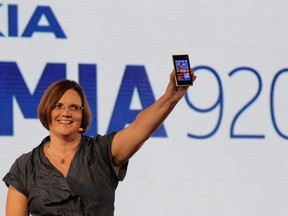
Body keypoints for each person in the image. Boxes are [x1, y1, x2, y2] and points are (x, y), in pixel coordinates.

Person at [3, 69, 196, 216]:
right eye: (58, 106)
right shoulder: (25, 167)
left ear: (83, 114)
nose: (66, 113)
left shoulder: (102, 152)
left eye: (74, 107)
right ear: (47, 111)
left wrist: (170, 97)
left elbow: (139, 128)